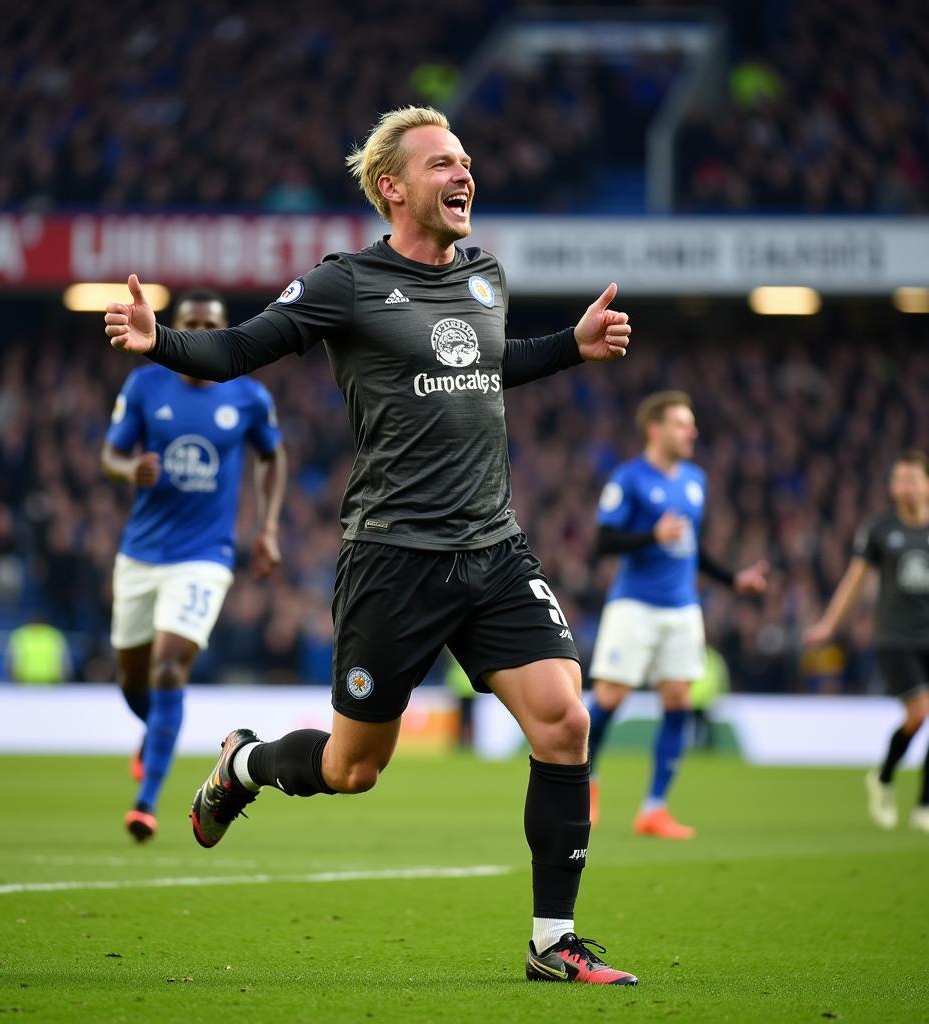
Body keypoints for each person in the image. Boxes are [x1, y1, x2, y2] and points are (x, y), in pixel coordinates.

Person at [105, 106, 637, 985]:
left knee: (566, 721)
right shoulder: (345, 282)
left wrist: (571, 350)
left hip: (493, 548)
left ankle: (554, 942)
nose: (464, 175)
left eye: (467, 160)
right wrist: (158, 339)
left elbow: (487, 366)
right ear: (392, 186)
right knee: (355, 770)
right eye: (442, 164)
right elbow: (239, 348)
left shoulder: (484, 274)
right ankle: (241, 765)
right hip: (395, 558)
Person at [102, 288, 287, 843]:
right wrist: (128, 468)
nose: (202, 330)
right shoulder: (144, 383)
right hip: (140, 554)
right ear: (173, 327)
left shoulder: (248, 397)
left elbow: (272, 456)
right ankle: (154, 733)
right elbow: (110, 454)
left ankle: (147, 801)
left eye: (212, 323)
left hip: (205, 558)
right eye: (192, 322)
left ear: (224, 330)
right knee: (134, 682)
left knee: (167, 669)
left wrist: (269, 527)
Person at [586, 391, 768, 839]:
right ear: (655, 429)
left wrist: (732, 580)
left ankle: (654, 808)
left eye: (691, 424)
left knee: (679, 702)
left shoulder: (695, 480)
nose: (693, 432)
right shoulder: (628, 478)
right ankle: (583, 786)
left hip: (683, 606)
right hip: (634, 603)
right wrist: (651, 534)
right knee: (610, 698)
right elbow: (603, 542)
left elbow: (690, 546)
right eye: (682, 424)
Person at [804, 450, 929, 832]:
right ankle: (885, 777)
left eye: (910, 479)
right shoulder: (880, 528)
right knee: (919, 714)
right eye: (897, 480)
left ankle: (924, 805)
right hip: (895, 636)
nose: (902, 488)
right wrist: (829, 624)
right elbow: (855, 580)